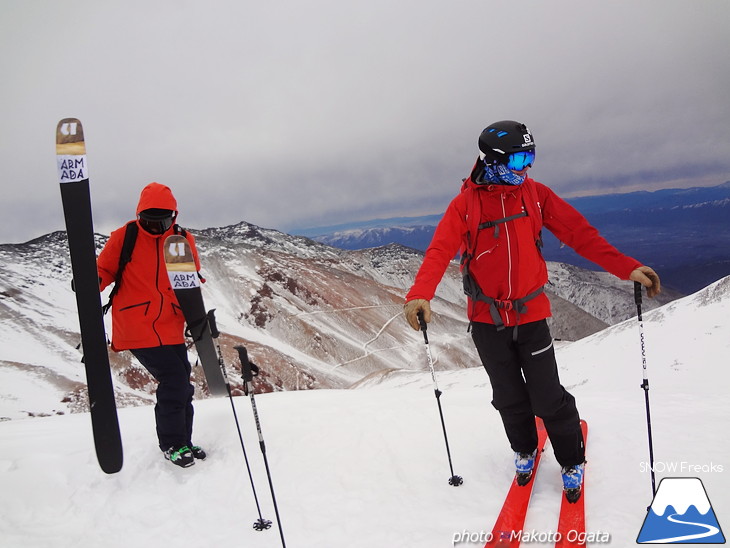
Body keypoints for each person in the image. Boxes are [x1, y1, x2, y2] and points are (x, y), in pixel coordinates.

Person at [403, 120, 660, 500]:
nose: (526, 168)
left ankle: (572, 460)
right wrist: (420, 293)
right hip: (488, 321)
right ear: (491, 161)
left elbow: (579, 233)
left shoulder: (535, 195)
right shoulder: (466, 206)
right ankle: (523, 449)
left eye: (531, 157)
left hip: (531, 315)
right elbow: (440, 250)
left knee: (547, 396)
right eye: (520, 158)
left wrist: (626, 267)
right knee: (508, 396)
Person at [97, 182, 206, 468]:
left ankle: (183, 439)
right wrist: (91, 283)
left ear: (175, 216)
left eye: (164, 221)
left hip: (169, 324)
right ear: (139, 216)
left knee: (183, 380)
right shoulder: (125, 237)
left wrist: (196, 311)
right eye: (149, 221)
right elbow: (104, 269)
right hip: (135, 325)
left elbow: (190, 278)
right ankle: (172, 443)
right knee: (174, 380)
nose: (157, 227)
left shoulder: (183, 240)